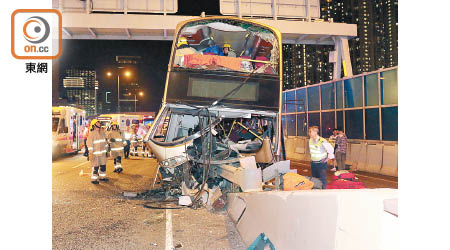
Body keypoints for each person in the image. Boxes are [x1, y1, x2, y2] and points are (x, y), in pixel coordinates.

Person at [86, 119, 108, 184]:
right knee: (95, 167)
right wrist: (90, 153)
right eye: (97, 123)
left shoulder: (102, 133)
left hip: (102, 154)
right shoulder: (92, 134)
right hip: (95, 154)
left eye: (99, 123)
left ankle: (102, 178)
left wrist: (107, 151)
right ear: (94, 125)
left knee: (103, 166)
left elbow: (105, 143)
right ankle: (94, 179)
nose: (99, 124)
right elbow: (89, 144)